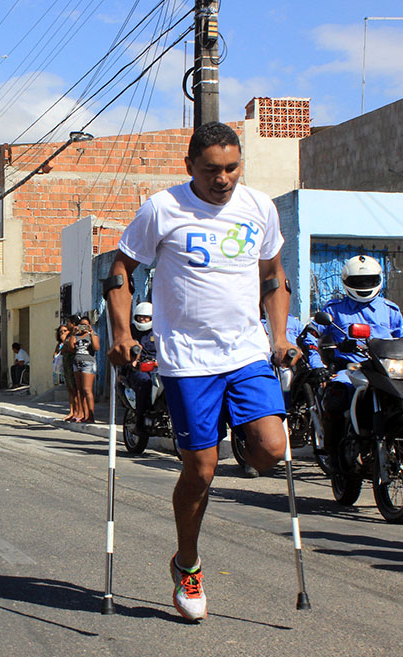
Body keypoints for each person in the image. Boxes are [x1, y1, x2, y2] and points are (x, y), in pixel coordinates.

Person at [106, 121, 297, 622]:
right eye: (212, 170)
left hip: (246, 351)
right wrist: (122, 334)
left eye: (232, 168)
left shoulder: (259, 208)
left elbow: (273, 276)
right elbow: (121, 272)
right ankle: (186, 562)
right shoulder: (162, 209)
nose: (223, 179)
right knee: (201, 470)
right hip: (188, 360)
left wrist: (278, 336)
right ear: (189, 166)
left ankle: (244, 430)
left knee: (272, 450)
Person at [315, 255, 403, 509]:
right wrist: (318, 365)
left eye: (369, 279)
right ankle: (333, 455)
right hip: (353, 369)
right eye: (358, 280)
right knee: (336, 393)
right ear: (346, 281)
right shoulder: (333, 309)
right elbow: (310, 336)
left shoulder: (390, 309)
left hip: (388, 371)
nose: (364, 283)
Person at [121, 302, 157, 433]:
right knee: (144, 382)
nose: (142, 320)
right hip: (138, 368)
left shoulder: (159, 330)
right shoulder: (130, 331)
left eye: (146, 317)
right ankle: (140, 420)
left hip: (158, 368)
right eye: (140, 317)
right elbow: (123, 348)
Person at [66, 315, 99, 423]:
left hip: (88, 363)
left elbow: (96, 348)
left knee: (87, 389)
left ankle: (91, 415)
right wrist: (73, 334)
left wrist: (91, 332)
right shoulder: (76, 336)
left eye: (86, 325)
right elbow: (71, 348)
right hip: (77, 362)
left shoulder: (93, 335)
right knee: (80, 390)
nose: (83, 327)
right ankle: (84, 415)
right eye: (82, 325)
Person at [59, 318, 79, 421]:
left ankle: (77, 412)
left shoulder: (74, 336)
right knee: (70, 389)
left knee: (75, 389)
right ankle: (71, 411)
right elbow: (61, 350)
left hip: (73, 365)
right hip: (66, 366)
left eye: (65, 329)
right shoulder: (66, 338)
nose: (63, 332)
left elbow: (71, 348)